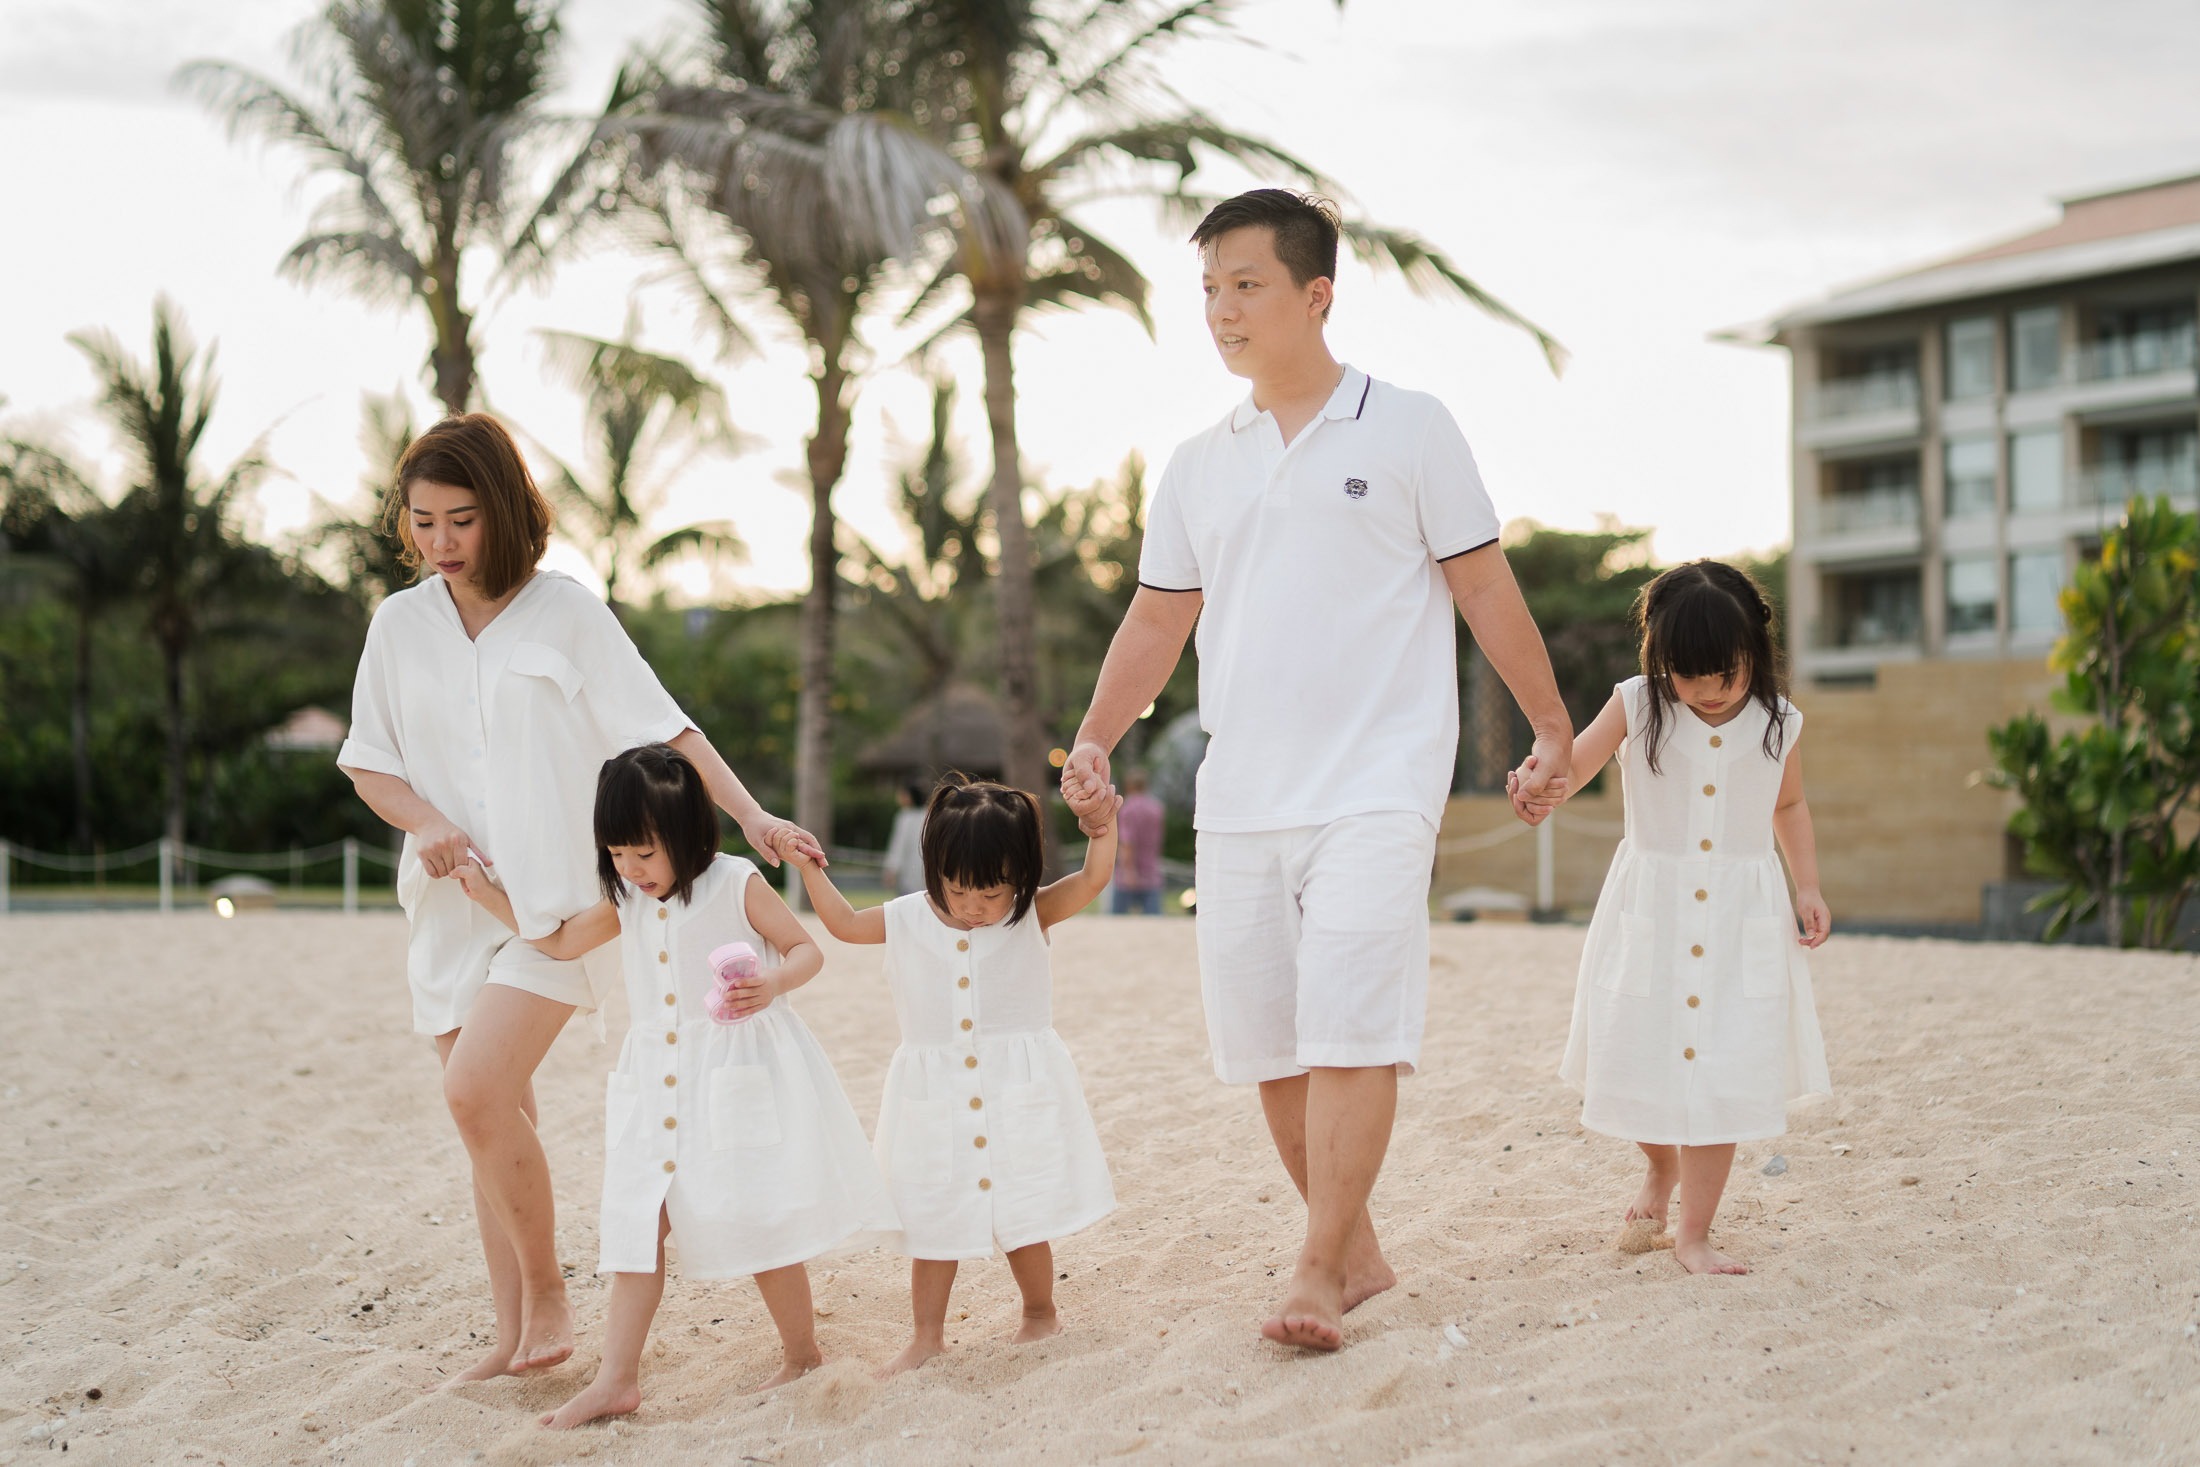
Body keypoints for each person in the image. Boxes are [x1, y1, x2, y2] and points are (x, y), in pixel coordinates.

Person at [1057, 189, 1573, 1352]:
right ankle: (1359, 1248)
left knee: (1349, 1026)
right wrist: (1093, 738)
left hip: (1379, 784)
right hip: (1239, 797)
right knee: (1272, 1046)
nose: (1222, 311)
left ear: (1314, 294)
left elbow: (1483, 586)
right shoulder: (1197, 463)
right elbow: (1156, 617)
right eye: (1207, 291)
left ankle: (1314, 1265)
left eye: (1245, 285)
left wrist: (1549, 727)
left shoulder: (1410, 428)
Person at [335, 414, 821, 1383]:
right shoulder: (398, 625)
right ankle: (514, 1330)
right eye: (422, 521)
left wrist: (757, 818)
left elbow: (667, 730)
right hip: (448, 905)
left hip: (556, 912)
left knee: (472, 1090)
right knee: (490, 1115)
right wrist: (426, 821)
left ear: (506, 510)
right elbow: (368, 765)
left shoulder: (567, 613)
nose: (440, 543)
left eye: (462, 520)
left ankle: (550, 1294)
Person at [454, 743, 895, 1425]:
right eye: (618, 853)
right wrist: (489, 896)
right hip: (654, 1078)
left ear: (686, 832)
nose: (631, 868)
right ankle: (616, 1378)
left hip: (731, 1071)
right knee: (638, 1220)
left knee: (757, 1213)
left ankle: (802, 1351)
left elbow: (808, 949)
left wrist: (770, 982)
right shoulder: (627, 896)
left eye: (644, 852)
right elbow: (563, 942)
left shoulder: (734, 881)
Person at [1509, 561, 1831, 1275]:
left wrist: (1806, 884)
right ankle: (1660, 1166)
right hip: (1649, 915)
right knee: (1636, 1059)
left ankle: (1693, 1232)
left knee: (1721, 1079)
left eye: (1731, 676)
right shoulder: (1637, 705)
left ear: (1757, 652)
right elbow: (1575, 766)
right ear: (1661, 662)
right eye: (1694, 679)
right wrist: (1539, 783)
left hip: (1739, 922)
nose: (1713, 694)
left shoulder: (1781, 721)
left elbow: (1788, 805)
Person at [786, 774, 1119, 1377]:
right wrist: (811, 870)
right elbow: (841, 924)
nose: (975, 906)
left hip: (1016, 1092)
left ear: (1022, 877)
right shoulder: (907, 918)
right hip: (934, 1098)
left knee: (1024, 1213)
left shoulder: (1030, 914)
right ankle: (926, 1337)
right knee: (931, 1218)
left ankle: (1040, 1312)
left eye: (994, 893)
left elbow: (1094, 879)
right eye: (959, 889)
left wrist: (1102, 829)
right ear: (934, 868)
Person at [1112, 769, 1166, 915]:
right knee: (1154, 927)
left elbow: (1127, 841)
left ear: (1129, 786)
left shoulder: (1127, 809)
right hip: (1152, 872)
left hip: (1128, 875)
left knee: (1115, 926)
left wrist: (1128, 870)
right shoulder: (1157, 808)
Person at [880, 781, 928, 896]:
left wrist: (891, 870)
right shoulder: (929, 815)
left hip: (908, 875)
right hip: (927, 874)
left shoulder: (904, 817)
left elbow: (898, 846)